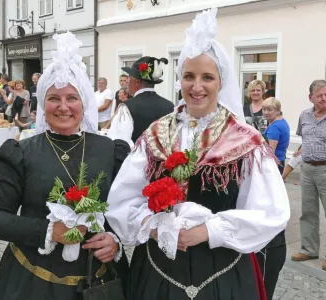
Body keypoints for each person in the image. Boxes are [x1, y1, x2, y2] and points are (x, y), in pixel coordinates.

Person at [106, 8, 289, 300]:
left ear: (221, 82)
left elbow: (270, 211)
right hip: (158, 269)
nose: (197, 86)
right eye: (189, 76)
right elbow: (123, 200)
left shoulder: (245, 140)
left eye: (207, 77)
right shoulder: (157, 133)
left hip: (223, 272)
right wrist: (154, 227)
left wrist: (208, 231)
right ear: (180, 81)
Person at [0, 31, 129, 300]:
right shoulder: (21, 152)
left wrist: (114, 241)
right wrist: (48, 231)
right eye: (53, 98)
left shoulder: (110, 150)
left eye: (72, 98)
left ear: (84, 102)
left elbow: (125, 209)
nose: (63, 107)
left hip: (97, 281)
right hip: (32, 281)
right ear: (42, 103)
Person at [254, 97, 290, 299]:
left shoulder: (275, 128)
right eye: (264, 109)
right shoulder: (280, 123)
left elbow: (269, 154)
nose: (266, 112)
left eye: (269, 109)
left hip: (273, 168)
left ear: (277, 110)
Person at [291, 79, 326, 271]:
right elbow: (304, 139)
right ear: (310, 97)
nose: (324, 98)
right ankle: (309, 249)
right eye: (320, 95)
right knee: (308, 211)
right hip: (306, 169)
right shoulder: (304, 115)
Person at [107, 56, 174, 145]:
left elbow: (119, 143)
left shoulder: (127, 108)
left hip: (134, 157)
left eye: (129, 79)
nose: (128, 83)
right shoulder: (170, 106)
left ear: (137, 82)